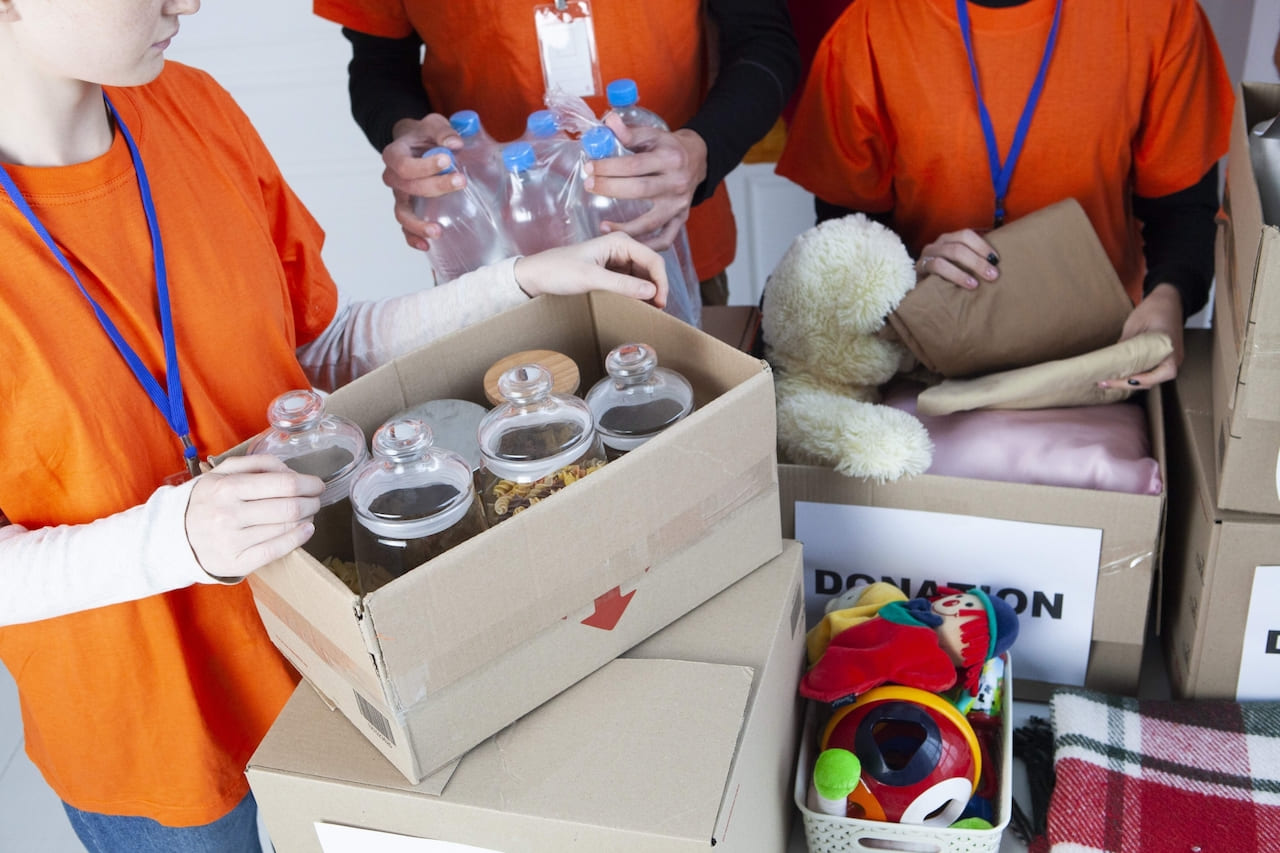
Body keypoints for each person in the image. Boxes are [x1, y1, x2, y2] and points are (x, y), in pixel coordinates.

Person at [0, 1, 669, 850]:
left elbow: (313, 353)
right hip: (157, 737)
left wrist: (520, 282)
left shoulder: (192, 107)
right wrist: (175, 540)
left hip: (329, 658)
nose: (189, 3)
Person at [775, 0, 1234, 388]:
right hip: (929, 355)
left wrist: (1171, 296)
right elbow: (845, 230)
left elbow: (1182, 208)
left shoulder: (1159, 14)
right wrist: (911, 267)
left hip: (1101, 358)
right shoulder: (872, 26)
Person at [313, 0, 801, 307]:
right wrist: (406, 134)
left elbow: (764, 40)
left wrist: (703, 148)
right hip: (494, 258)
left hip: (661, 236)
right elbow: (378, 63)